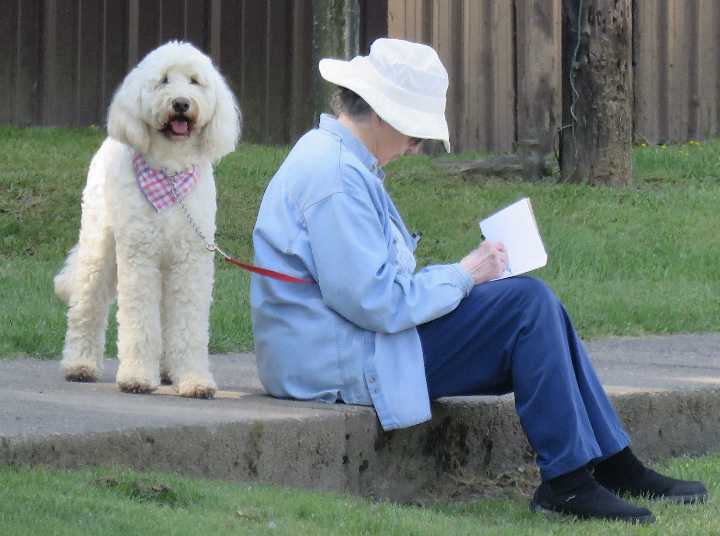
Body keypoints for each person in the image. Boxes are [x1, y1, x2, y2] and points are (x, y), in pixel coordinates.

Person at [250, 38, 707, 523]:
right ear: (381, 113)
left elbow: (370, 289)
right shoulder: (335, 175)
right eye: (415, 132)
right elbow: (376, 300)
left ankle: (609, 464)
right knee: (526, 305)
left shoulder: (338, 161)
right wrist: (466, 273)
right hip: (336, 360)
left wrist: (464, 280)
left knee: (537, 308)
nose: (416, 147)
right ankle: (572, 482)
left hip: (344, 345)